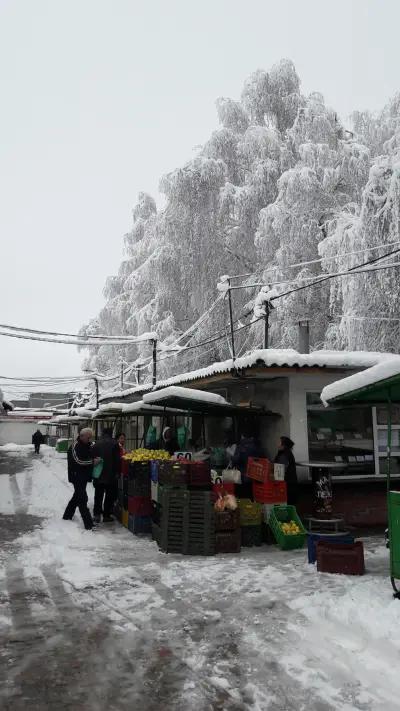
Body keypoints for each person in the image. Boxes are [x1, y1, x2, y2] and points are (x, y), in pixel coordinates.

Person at [63, 428, 98, 530]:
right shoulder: (74, 446)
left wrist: (95, 458)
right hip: (76, 476)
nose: (89, 439)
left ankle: (67, 515)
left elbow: (91, 454)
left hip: (84, 476)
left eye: (90, 437)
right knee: (82, 498)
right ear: (82, 436)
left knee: (77, 496)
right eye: (88, 437)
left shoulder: (88, 445)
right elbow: (78, 461)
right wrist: (92, 462)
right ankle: (88, 524)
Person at [92, 428, 121, 523]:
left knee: (98, 495)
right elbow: (117, 460)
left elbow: (93, 458)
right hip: (111, 475)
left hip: (99, 473)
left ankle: (97, 515)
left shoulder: (96, 444)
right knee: (109, 495)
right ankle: (106, 515)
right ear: (111, 433)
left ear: (103, 433)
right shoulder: (114, 444)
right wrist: (117, 472)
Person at [231, 421, 263, 498]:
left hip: (242, 476)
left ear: (242, 436)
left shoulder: (241, 447)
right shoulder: (257, 446)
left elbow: (236, 460)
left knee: (242, 496)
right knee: (252, 496)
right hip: (255, 476)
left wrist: (231, 457)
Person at [274, 436, 298, 505]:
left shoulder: (284, 455)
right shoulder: (285, 453)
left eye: (279, 443)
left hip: (287, 485)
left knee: (288, 504)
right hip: (290, 484)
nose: (277, 444)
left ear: (283, 445)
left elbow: (280, 471)